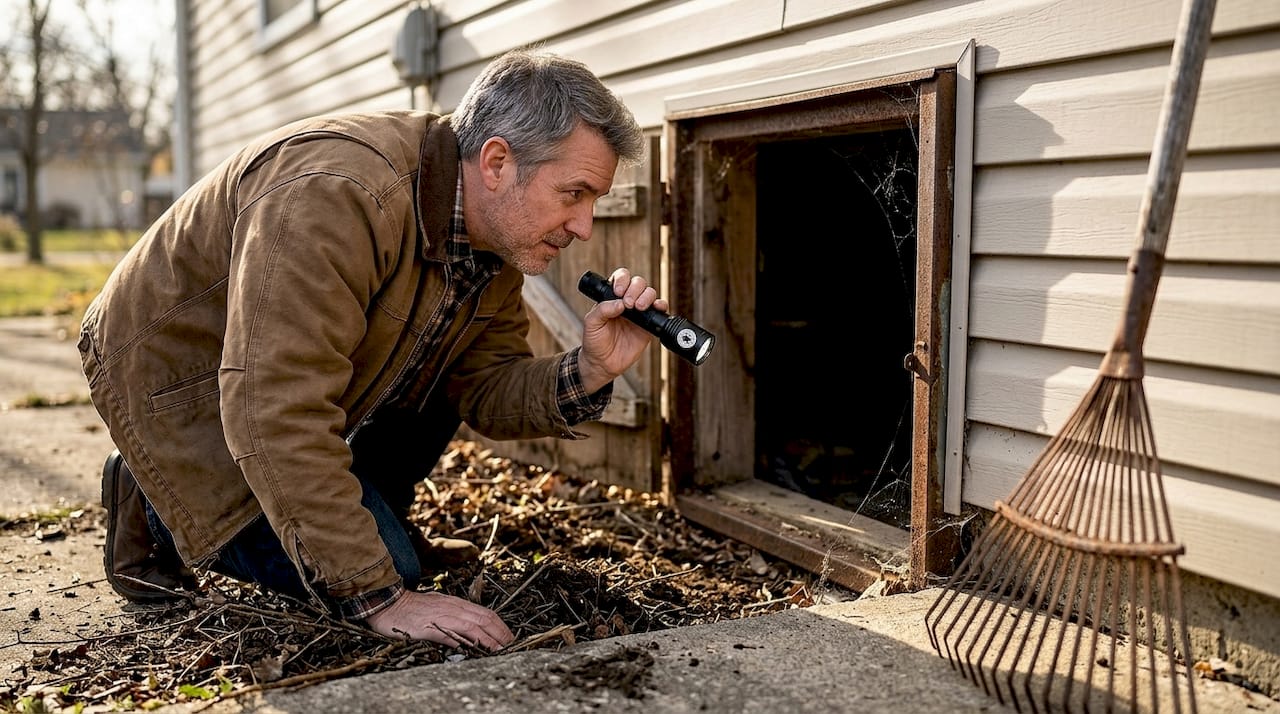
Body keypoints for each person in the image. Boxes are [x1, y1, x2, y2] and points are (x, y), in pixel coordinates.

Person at [77, 48, 662, 652]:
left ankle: (375, 522)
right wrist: (381, 594)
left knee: (428, 407)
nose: (586, 225)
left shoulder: (491, 242)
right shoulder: (336, 194)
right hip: (178, 379)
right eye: (575, 194)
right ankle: (151, 499)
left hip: (274, 381)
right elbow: (272, 407)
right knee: (386, 577)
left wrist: (590, 369)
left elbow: (483, 387)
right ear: (496, 162)